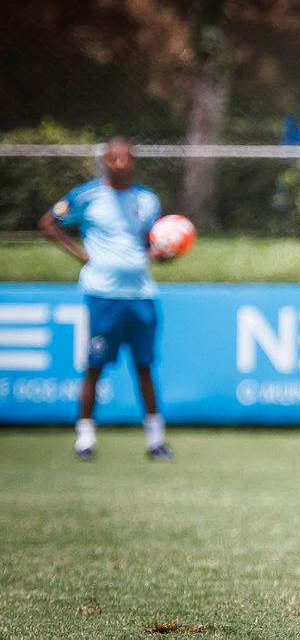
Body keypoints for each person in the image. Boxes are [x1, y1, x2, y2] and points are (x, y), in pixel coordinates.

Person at [39, 137, 175, 461]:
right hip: (104, 295)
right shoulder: (86, 196)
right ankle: (85, 440)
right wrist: (80, 254)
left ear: (133, 162)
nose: (119, 164)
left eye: (125, 158)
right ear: (105, 161)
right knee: (95, 367)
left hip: (142, 295)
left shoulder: (147, 199)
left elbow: (149, 243)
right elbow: (49, 222)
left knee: (145, 367)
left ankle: (156, 442)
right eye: (113, 158)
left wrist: (163, 254)